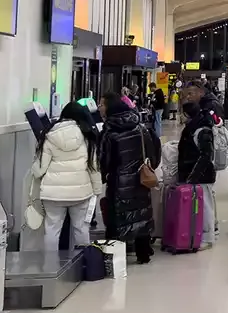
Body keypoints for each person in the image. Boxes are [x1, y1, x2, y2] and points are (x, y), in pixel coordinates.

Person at [26, 101, 102, 250]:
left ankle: (50, 265)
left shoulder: (49, 134)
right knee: (81, 229)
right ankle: (82, 264)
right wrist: (97, 190)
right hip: (80, 192)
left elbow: (40, 169)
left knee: (52, 230)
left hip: (53, 194)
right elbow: (94, 167)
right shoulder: (86, 135)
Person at [99, 96, 160, 264]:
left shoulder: (109, 131)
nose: (99, 107)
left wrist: (103, 175)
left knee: (117, 217)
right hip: (140, 179)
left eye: (102, 104)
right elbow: (153, 151)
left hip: (118, 182)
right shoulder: (140, 127)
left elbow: (104, 159)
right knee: (141, 214)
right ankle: (143, 253)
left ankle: (115, 257)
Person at [177, 86, 220, 246]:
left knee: (206, 204)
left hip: (202, 174)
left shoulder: (201, 128)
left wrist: (193, 176)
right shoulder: (195, 126)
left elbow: (205, 155)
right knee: (203, 204)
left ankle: (208, 237)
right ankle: (205, 232)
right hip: (197, 173)